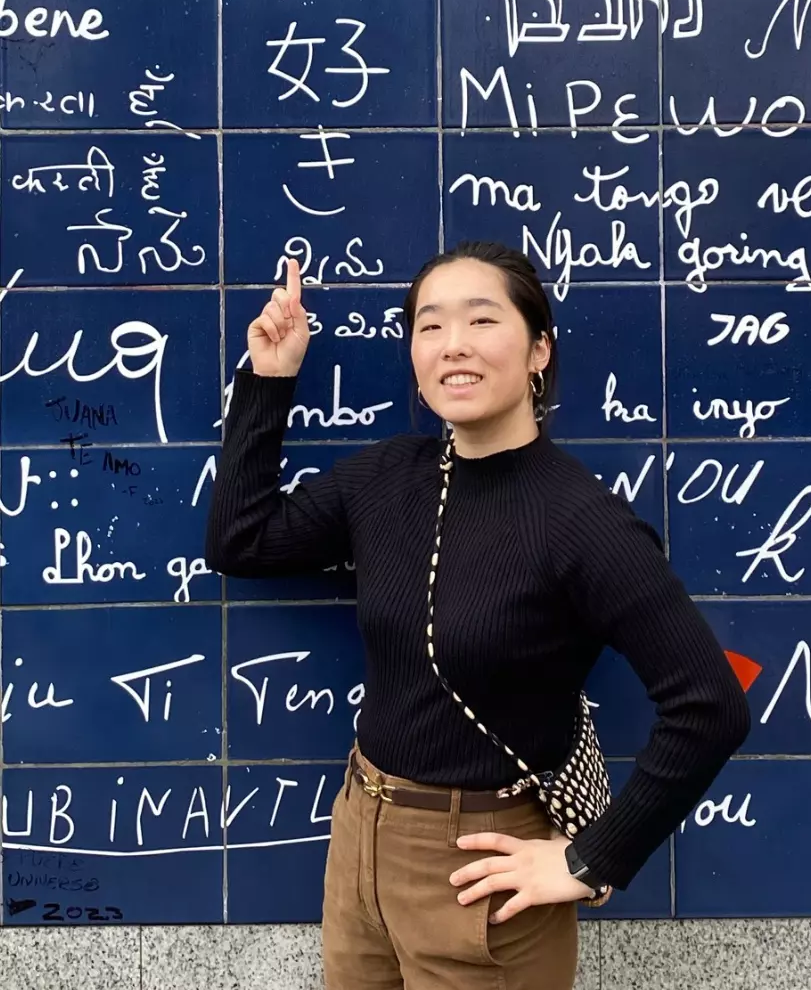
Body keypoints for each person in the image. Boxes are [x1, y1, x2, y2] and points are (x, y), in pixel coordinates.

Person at [205, 241, 751, 990]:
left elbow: (710, 705)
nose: (452, 345)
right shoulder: (385, 478)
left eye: (481, 320)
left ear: (538, 350)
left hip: (483, 874)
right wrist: (271, 377)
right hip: (361, 836)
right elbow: (243, 540)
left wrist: (590, 858)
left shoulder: (583, 522)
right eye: (429, 327)